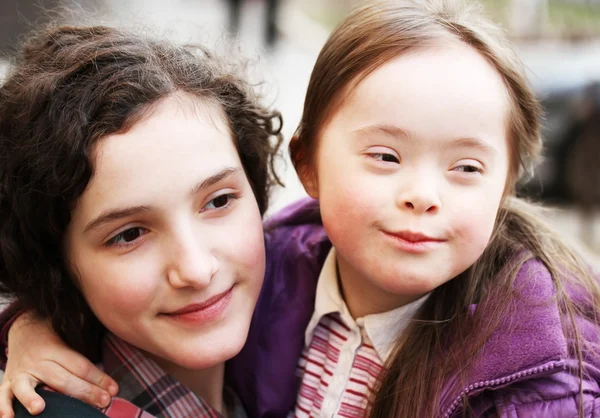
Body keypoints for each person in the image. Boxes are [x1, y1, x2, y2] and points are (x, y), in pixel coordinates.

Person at [2, 1, 600, 417]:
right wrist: (27, 329)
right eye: (386, 156)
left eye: (466, 167)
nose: (425, 194)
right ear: (307, 165)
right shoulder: (281, 271)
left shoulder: (541, 373)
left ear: (505, 187)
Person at [0, 24, 283, 417]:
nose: (197, 270)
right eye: (130, 234)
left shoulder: (293, 331)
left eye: (218, 201)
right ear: (54, 264)